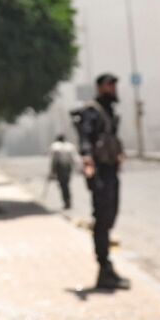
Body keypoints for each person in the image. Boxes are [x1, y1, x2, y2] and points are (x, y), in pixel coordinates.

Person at [74, 72, 130, 290]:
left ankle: (107, 268)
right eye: (109, 85)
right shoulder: (92, 110)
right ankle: (104, 268)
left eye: (114, 85)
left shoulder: (108, 110)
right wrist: (87, 159)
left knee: (110, 217)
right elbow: (85, 136)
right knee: (102, 219)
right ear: (100, 87)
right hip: (99, 172)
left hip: (110, 170)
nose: (113, 89)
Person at [49, 133, 79, 209]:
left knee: (63, 185)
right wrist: (77, 168)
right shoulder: (70, 146)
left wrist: (52, 171)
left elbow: (53, 160)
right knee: (66, 184)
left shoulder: (55, 147)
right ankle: (67, 200)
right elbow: (75, 159)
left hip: (60, 168)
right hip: (67, 167)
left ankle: (66, 200)